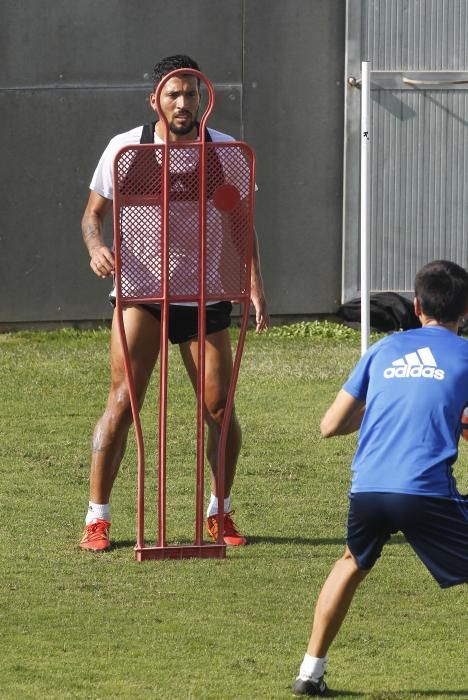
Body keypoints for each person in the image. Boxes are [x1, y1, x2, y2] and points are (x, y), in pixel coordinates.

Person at [79, 55, 269, 552]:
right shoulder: (127, 149)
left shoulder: (224, 150)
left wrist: (254, 284)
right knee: (123, 403)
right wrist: (97, 247)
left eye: (192, 93)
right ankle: (97, 518)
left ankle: (219, 511)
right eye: (174, 94)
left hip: (202, 293)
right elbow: (91, 215)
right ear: (155, 99)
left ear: (202, 97)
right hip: (140, 292)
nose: (184, 103)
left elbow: (241, 224)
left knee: (220, 408)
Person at [292, 260, 468, 696]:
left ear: (416, 305)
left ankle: (309, 673)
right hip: (424, 490)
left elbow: (330, 425)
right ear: (466, 310)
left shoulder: (383, 350)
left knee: (351, 563)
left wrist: (391, 404)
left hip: (368, 487)